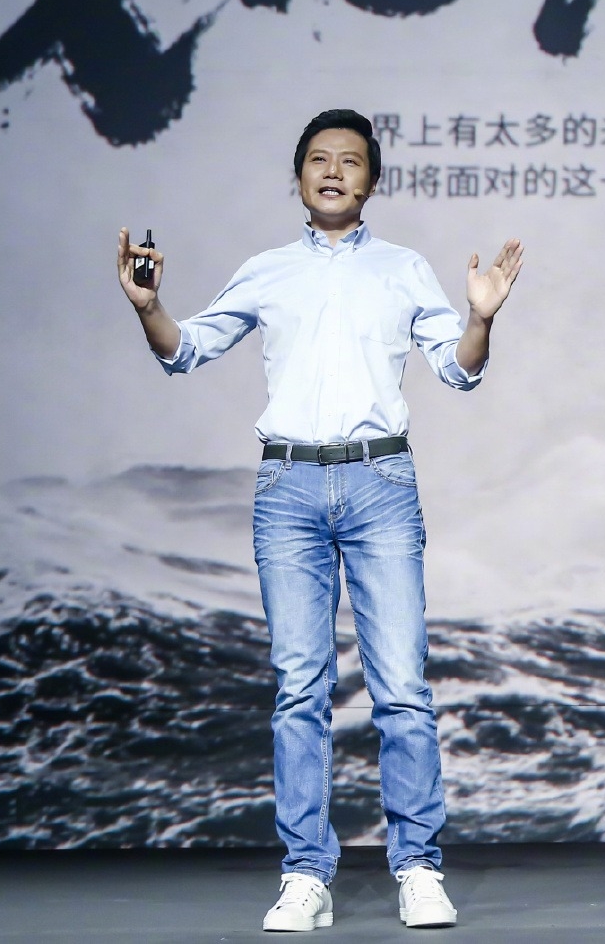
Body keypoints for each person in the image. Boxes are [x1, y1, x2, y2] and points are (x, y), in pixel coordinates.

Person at [116, 109, 523, 931]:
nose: (333, 170)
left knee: (401, 686)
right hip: (289, 487)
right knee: (299, 688)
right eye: (318, 159)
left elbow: (457, 371)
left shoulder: (405, 268)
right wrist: (147, 305)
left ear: (372, 180)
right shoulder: (266, 270)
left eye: (350, 161)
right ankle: (306, 873)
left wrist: (481, 318)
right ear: (298, 176)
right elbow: (184, 349)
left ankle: (418, 867)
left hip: (381, 481)